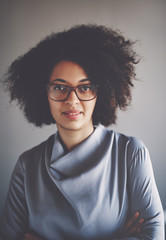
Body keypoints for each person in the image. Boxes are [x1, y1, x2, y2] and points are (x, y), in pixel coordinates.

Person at [0, 24, 164, 240]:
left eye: (84, 87)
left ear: (101, 93)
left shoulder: (130, 153)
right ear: (43, 93)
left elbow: (154, 234)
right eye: (60, 87)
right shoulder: (27, 165)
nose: (72, 100)